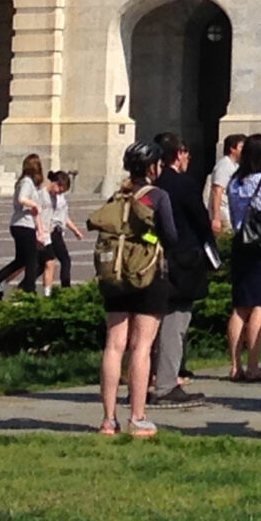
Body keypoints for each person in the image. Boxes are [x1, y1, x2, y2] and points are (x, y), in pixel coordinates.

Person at [97, 142, 178, 437]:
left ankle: (108, 419)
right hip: (148, 275)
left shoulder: (117, 196)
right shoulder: (157, 196)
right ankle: (138, 416)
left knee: (114, 344)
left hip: (115, 276)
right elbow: (171, 236)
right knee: (141, 346)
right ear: (152, 167)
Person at [149, 136, 216, 409]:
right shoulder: (182, 184)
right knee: (176, 324)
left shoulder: (151, 186)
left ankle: (146, 380)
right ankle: (166, 384)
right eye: (186, 154)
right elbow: (200, 221)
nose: (188, 159)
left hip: (151, 262)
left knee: (151, 325)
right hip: (182, 262)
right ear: (178, 154)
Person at [224, 133, 261, 382]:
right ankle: (254, 365)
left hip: (241, 244)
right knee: (260, 304)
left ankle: (234, 365)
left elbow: (232, 212)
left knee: (240, 306)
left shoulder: (234, 182)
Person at [0, 153, 49, 301]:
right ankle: (29, 293)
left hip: (22, 225)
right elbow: (22, 199)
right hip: (23, 226)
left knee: (21, 261)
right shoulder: (26, 182)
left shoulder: (26, 182)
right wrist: (35, 205)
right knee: (32, 261)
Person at [40, 169, 80, 295]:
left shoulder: (58, 198)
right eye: (60, 190)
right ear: (56, 183)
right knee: (56, 261)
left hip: (55, 231)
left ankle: (26, 286)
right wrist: (42, 230)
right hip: (49, 232)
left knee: (46, 263)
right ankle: (64, 289)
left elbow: (64, 217)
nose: (60, 193)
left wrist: (75, 230)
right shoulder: (44, 195)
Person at [208, 133, 245, 234]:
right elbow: (217, 190)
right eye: (241, 147)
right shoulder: (224, 165)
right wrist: (216, 218)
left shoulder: (234, 166)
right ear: (232, 149)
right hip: (223, 214)